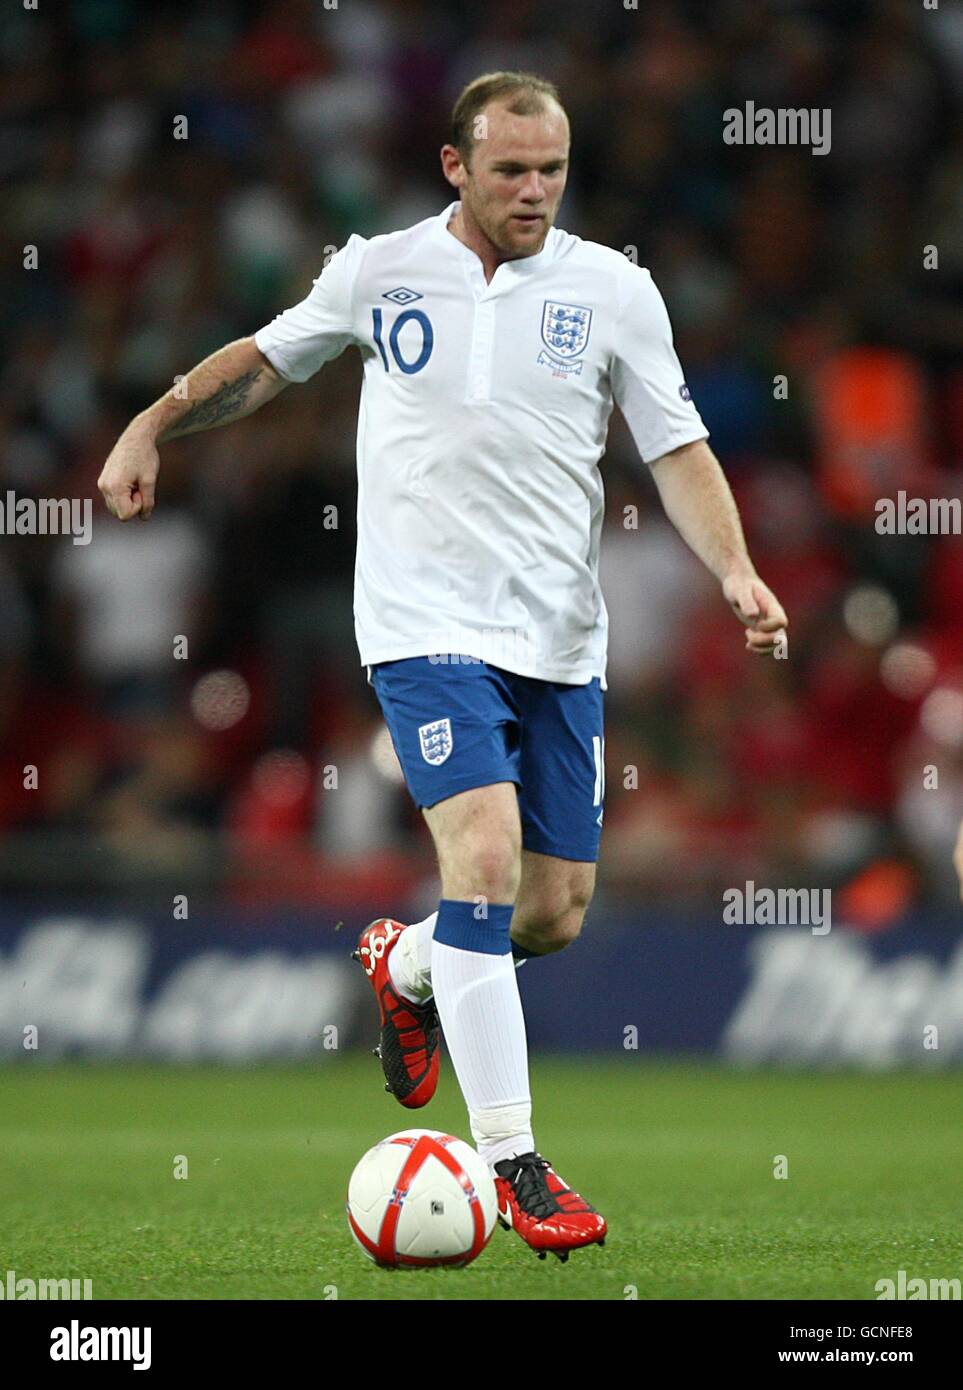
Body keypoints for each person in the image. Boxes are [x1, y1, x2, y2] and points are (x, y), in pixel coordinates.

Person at [98, 71, 789, 1261]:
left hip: (559, 640)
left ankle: (407, 961)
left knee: (554, 911)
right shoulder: (380, 268)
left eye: (552, 169)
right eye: (511, 168)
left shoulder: (613, 291)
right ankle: (512, 1158)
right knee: (480, 856)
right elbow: (267, 361)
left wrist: (735, 569)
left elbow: (677, 448)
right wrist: (152, 420)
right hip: (422, 627)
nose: (534, 189)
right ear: (455, 165)